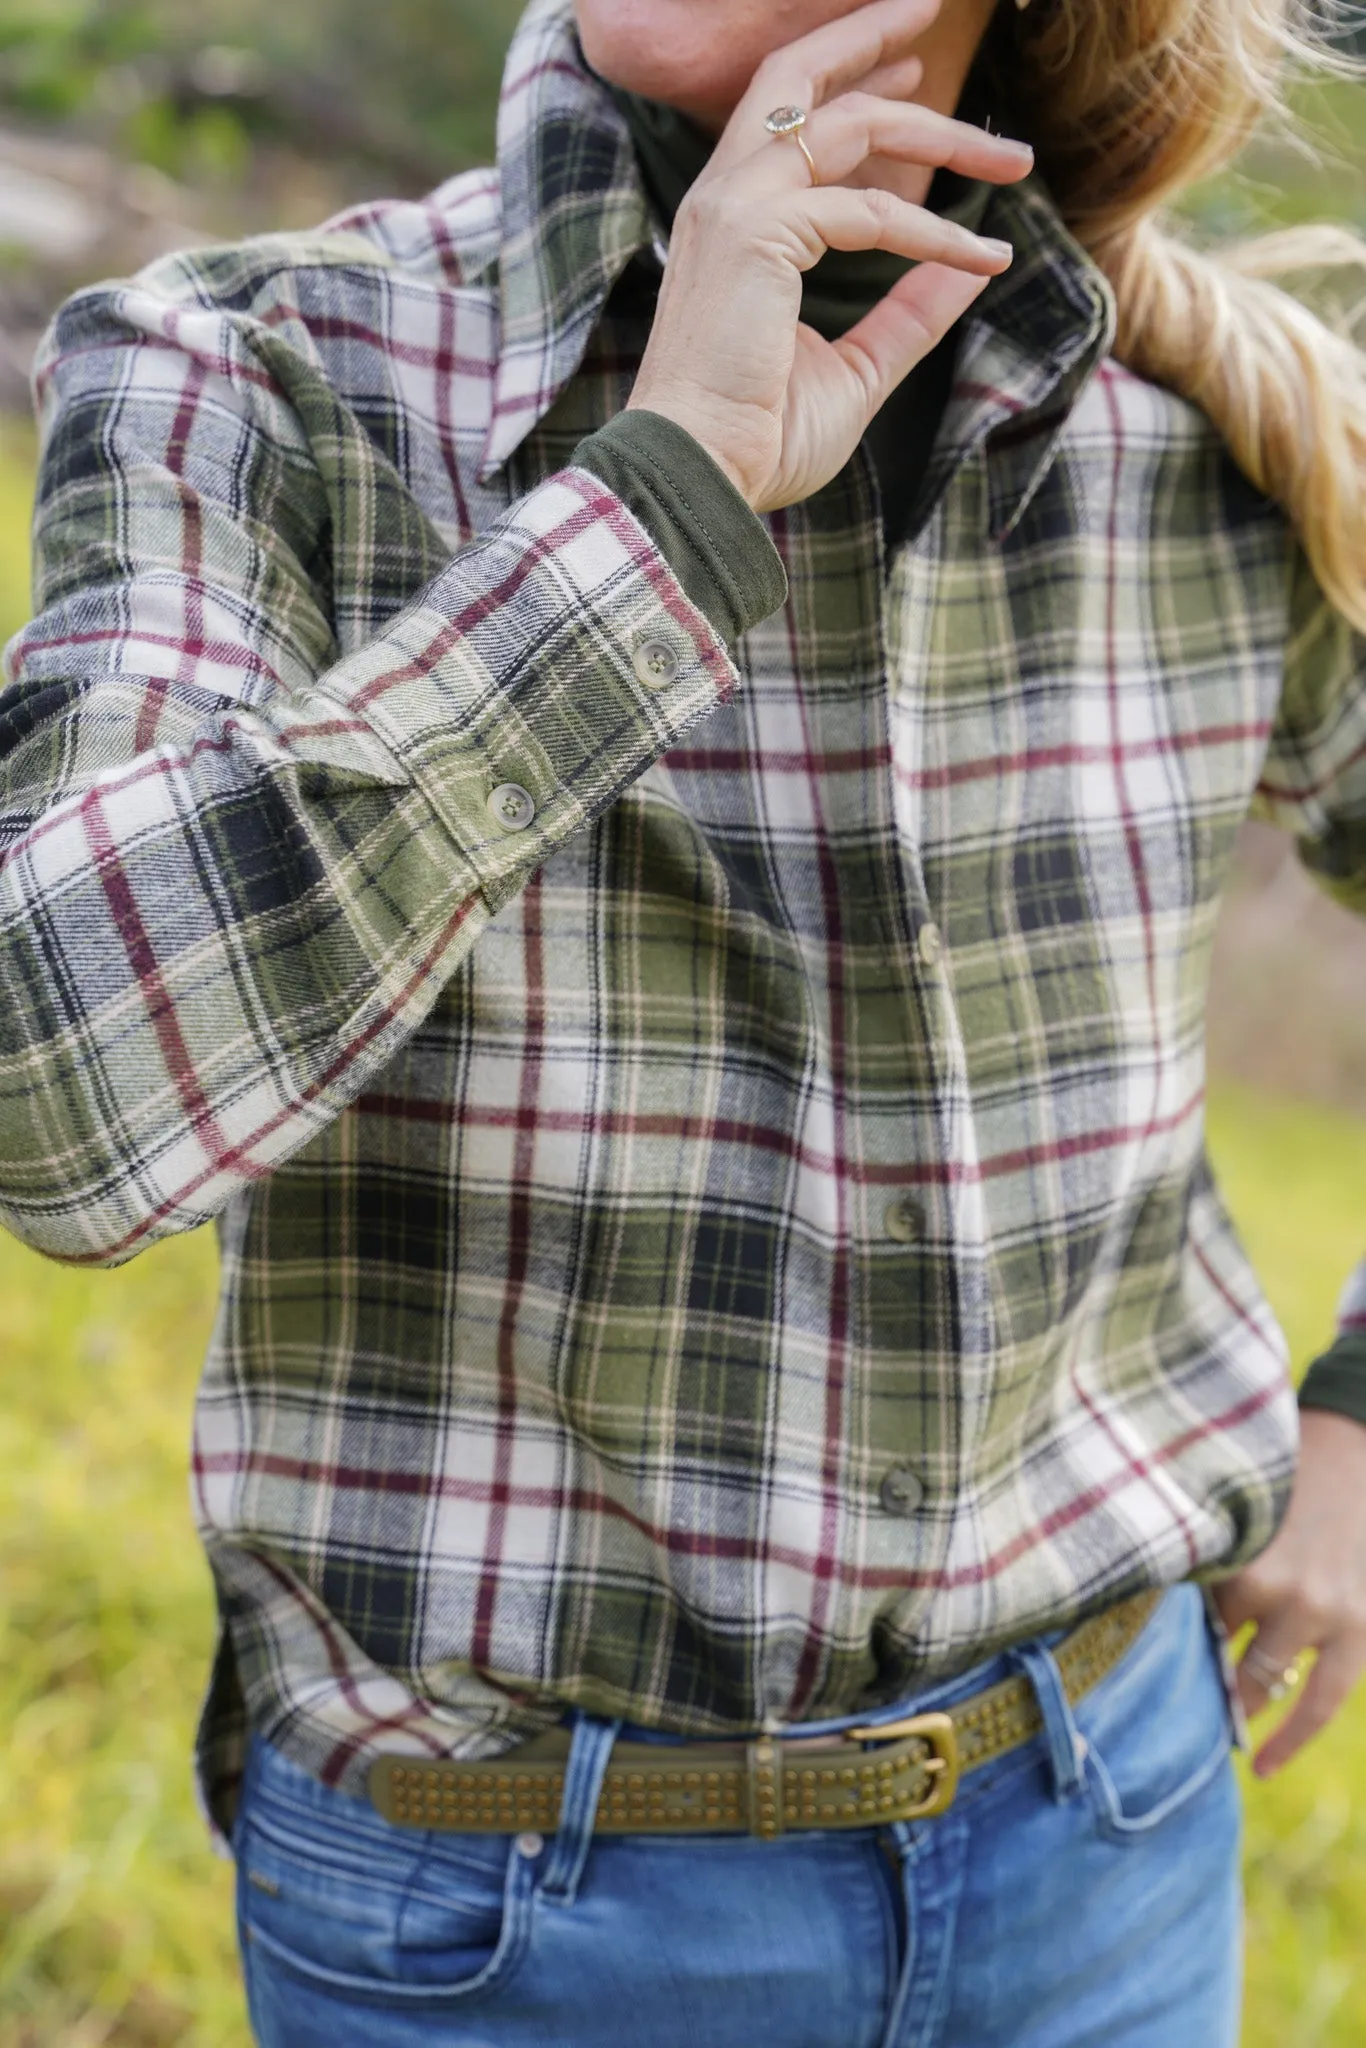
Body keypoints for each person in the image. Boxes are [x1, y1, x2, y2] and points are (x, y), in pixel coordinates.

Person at [1, 0, 1364, 2038]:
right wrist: (666, 506)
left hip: (1107, 1843)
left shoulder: (1208, 436)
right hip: (502, 1924)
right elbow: (60, 1107)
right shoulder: (251, 369)